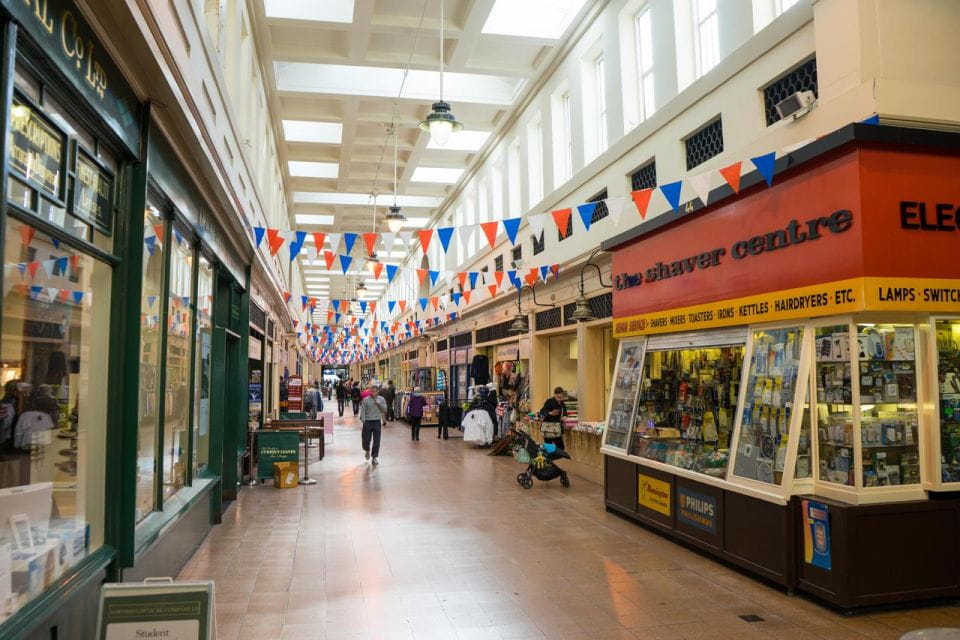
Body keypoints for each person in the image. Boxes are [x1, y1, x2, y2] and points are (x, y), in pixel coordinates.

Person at [359, 385, 388, 464]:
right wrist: (363, 421)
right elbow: (362, 411)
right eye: (371, 391)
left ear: (378, 391)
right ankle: (367, 450)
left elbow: (385, 410)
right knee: (366, 439)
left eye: (374, 391)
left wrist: (379, 404)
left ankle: (374, 457)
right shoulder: (366, 400)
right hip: (368, 422)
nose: (373, 392)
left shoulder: (381, 399)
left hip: (376, 421)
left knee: (377, 440)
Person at [539, 386, 567, 450]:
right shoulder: (549, 401)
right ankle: (549, 458)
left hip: (557, 428)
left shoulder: (562, 403)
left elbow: (565, 413)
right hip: (548, 427)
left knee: (561, 447)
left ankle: (551, 458)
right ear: (555, 394)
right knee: (549, 447)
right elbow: (542, 412)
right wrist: (550, 413)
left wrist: (564, 417)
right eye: (558, 395)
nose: (559, 396)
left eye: (561, 395)